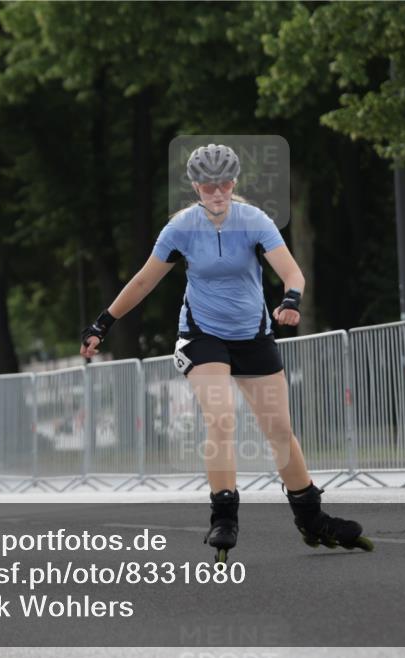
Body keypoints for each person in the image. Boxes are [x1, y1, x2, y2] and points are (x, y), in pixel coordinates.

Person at [80, 144, 373, 562]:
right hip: (202, 335)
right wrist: (102, 323)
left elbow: (291, 271)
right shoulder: (180, 228)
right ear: (196, 187)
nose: (216, 194)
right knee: (220, 417)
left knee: (279, 431)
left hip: (252, 334)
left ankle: (312, 518)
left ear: (233, 185)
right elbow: (144, 282)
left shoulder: (254, 220)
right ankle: (224, 516)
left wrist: (291, 300)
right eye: (207, 186)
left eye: (223, 185)